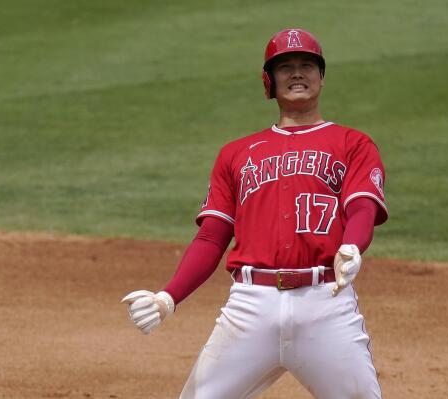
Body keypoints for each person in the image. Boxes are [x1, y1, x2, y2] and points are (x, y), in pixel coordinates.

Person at [122, 28, 388, 398]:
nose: (297, 73)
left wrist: (353, 246)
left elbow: (362, 207)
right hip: (250, 307)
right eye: (286, 67)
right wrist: (169, 297)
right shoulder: (236, 153)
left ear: (322, 77)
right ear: (269, 81)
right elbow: (212, 235)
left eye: (307, 65)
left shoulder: (353, 144)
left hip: (325, 303)